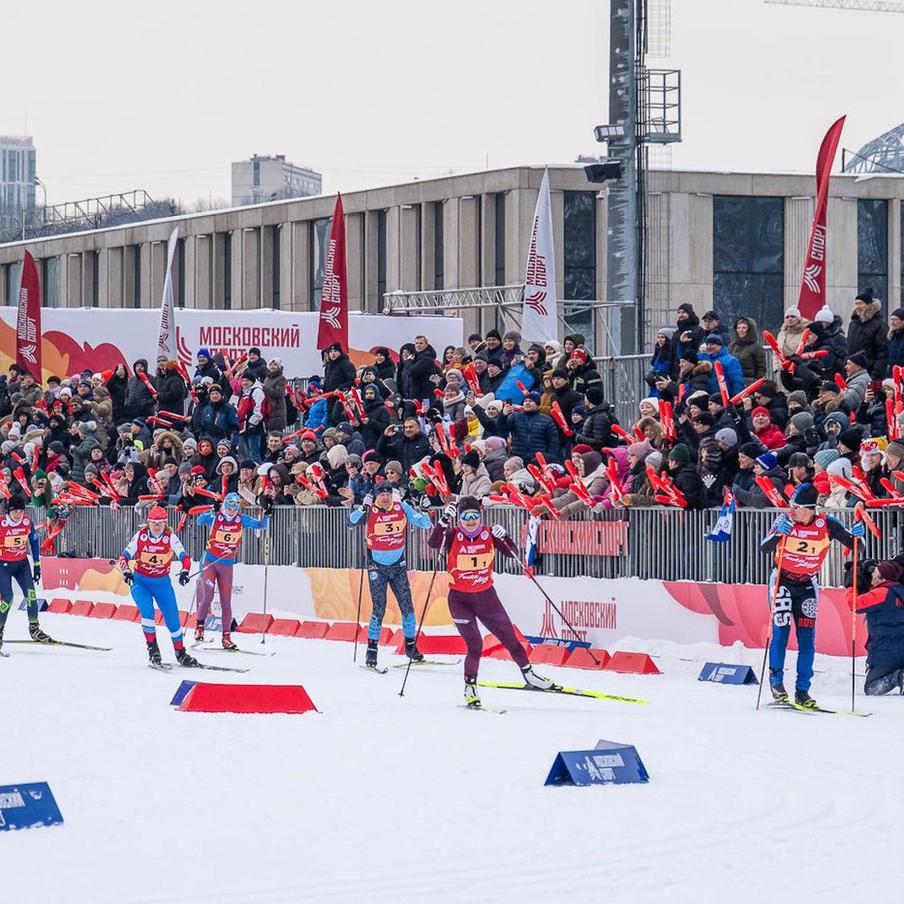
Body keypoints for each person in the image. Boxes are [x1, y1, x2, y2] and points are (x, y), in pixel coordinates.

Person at [428, 496, 553, 708]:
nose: (470, 520)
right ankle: (470, 687)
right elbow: (433, 544)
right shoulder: (452, 534)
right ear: (460, 517)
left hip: (486, 598)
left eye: (474, 515)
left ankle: (529, 675)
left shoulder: (488, 533)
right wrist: (442, 522)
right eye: (466, 516)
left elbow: (511, 552)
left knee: (510, 638)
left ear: (480, 515)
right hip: (460, 600)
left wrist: (505, 537)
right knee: (475, 644)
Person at [761, 483, 862, 707]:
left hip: (807, 585)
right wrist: (779, 534)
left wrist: (859, 534)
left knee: (807, 640)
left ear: (810, 509)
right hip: (782, 582)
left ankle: (803, 691)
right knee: (781, 632)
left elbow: (857, 546)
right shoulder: (784, 520)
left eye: (797, 507)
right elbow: (764, 548)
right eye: (791, 505)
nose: (792, 510)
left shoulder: (827, 524)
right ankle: (776, 682)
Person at [347, 480, 433, 669]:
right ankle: (371, 650)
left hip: (398, 566)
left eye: (388, 494)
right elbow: (350, 522)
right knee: (379, 608)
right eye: (381, 495)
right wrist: (363, 507)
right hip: (377, 567)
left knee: (407, 607)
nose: (385, 498)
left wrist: (427, 510)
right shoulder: (370, 510)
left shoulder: (401, 506)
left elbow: (425, 524)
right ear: (376, 496)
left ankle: (410, 646)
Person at [118, 506, 198, 668]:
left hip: (162, 583)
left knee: (173, 621)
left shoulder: (170, 538)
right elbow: (123, 557)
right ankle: (153, 651)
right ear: (148, 523)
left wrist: (184, 571)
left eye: (160, 523)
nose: (157, 527)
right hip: (141, 583)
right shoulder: (140, 536)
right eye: (154, 523)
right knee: (147, 613)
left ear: (165, 524)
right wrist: (126, 571)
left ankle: (180, 653)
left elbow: (185, 557)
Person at [193, 493, 270, 649]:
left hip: (227, 565)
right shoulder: (216, 516)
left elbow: (262, 525)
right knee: (207, 596)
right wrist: (211, 510)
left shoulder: (242, 520)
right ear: (224, 506)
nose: (231, 512)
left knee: (226, 602)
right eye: (228, 508)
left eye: (235, 509)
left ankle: (226, 637)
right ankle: (200, 628)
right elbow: (199, 520)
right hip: (210, 561)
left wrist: (267, 514)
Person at [0, 494, 51, 651]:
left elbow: (34, 542)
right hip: (3, 566)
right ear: (9, 512)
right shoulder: (2, 524)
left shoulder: (27, 521)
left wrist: (36, 564)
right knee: (8, 599)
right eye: (15, 512)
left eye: (21, 512)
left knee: (31, 596)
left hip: (22, 565)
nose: (18, 515)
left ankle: (34, 629)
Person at [846, 559, 904, 695]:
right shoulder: (900, 590)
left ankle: (898, 677)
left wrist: (851, 584)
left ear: (881, 579)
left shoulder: (881, 594)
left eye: (874, 574)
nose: (871, 577)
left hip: (886, 651)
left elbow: (853, 604)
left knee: (872, 688)